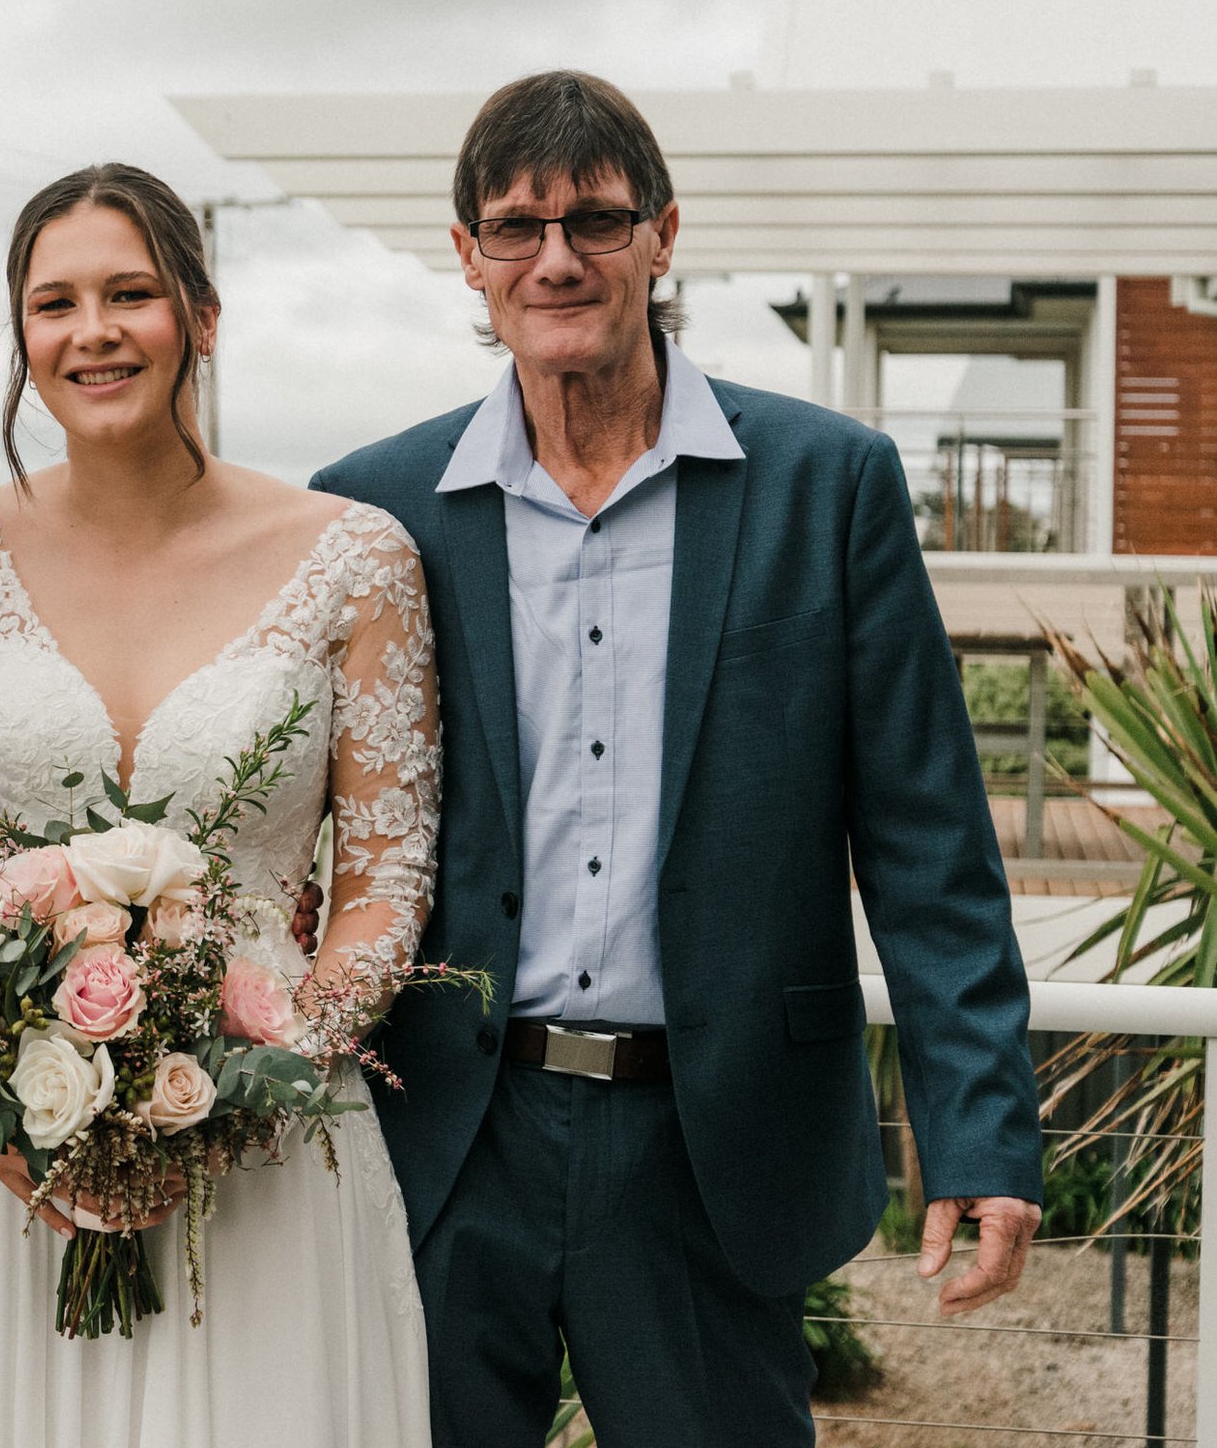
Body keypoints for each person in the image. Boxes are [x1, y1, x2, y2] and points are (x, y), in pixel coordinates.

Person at [312, 70, 1046, 1445]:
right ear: (466, 255)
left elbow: (927, 840)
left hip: (715, 1142)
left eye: (596, 218)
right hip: (453, 1135)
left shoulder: (829, 485)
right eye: (517, 226)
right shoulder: (373, 508)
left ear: (664, 233)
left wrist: (984, 1133)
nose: (558, 258)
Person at [0, 163, 435, 1447]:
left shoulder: (354, 557)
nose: (93, 331)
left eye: (129, 293)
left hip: (267, 1139)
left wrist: (260, 1077)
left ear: (201, 311)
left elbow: (385, 881)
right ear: (22, 336)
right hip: (20, 1154)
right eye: (54, 302)